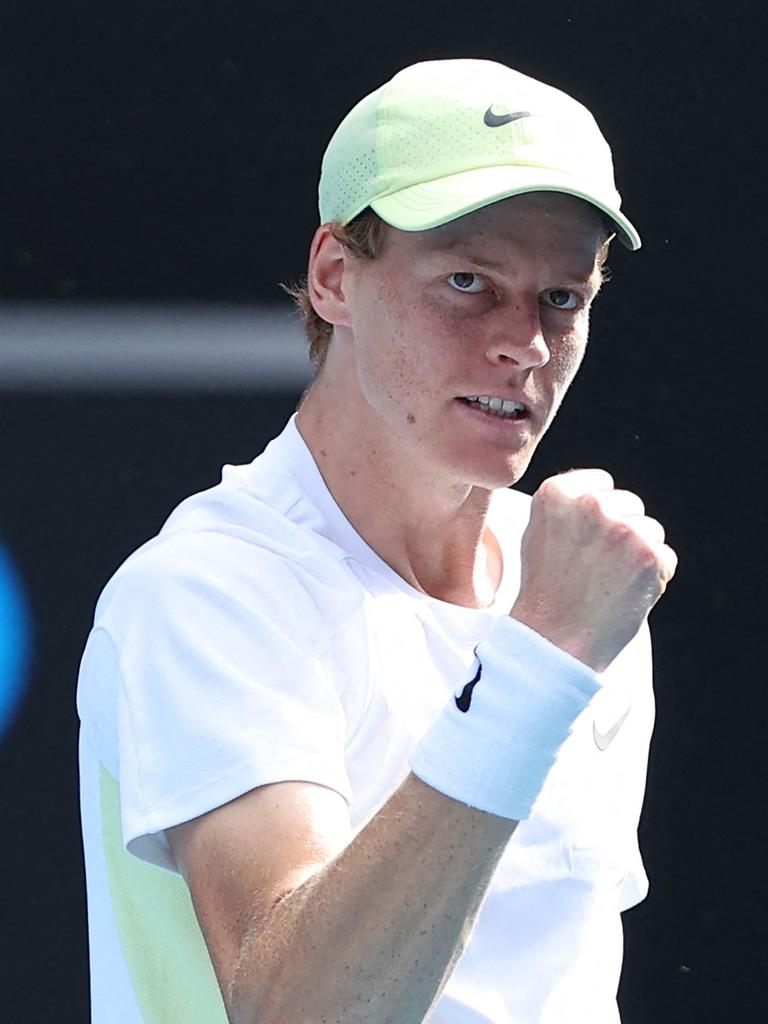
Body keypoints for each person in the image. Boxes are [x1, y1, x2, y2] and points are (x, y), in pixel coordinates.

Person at [76, 58, 677, 1024]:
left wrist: (546, 647)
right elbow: (304, 1010)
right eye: (469, 282)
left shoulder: (575, 588)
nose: (524, 342)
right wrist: (534, 665)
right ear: (332, 279)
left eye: (562, 298)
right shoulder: (204, 590)